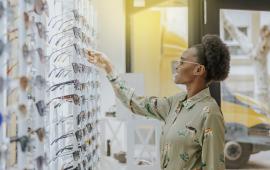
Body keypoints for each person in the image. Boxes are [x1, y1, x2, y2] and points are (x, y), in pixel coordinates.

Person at [87, 34, 230, 170]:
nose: (176, 66)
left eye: (182, 62)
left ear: (198, 69)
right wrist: (108, 67)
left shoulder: (210, 113)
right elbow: (136, 103)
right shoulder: (176, 102)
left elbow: (214, 167)